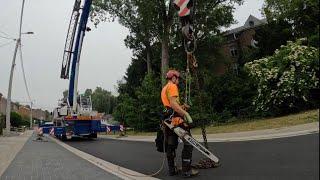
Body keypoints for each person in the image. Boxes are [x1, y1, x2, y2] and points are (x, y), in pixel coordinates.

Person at [161, 69, 199, 177]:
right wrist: (186, 114)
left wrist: (181, 107)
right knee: (188, 143)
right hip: (176, 121)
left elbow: (170, 106)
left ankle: (172, 170)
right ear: (173, 78)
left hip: (168, 121)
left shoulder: (164, 89)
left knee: (171, 145)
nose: (178, 81)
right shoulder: (172, 86)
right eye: (178, 79)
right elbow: (173, 104)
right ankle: (186, 170)